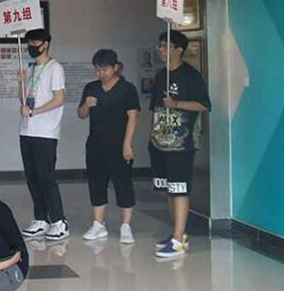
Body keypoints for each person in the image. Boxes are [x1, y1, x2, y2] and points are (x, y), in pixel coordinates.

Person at [150, 30, 211, 259]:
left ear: (179, 50)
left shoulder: (191, 76)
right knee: (168, 190)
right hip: (160, 143)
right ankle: (177, 234)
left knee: (179, 188)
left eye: (166, 46)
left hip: (181, 144)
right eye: (160, 46)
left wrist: (176, 104)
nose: (161, 50)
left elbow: (204, 105)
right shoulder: (160, 75)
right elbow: (155, 109)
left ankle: (178, 240)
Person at [77, 49, 140, 244]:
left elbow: (133, 117)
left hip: (119, 145)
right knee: (96, 183)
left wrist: (127, 144)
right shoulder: (91, 88)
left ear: (115, 68)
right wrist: (87, 105)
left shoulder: (127, 89)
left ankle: (126, 226)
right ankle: (98, 224)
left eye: (104, 69)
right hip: (95, 144)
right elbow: (81, 114)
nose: (100, 73)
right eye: (97, 70)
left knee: (123, 184)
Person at [17, 28, 69, 242]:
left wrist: (34, 112)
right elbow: (23, 100)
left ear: (45, 44)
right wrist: (20, 82)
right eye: (28, 43)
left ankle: (59, 221)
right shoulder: (31, 68)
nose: (30, 47)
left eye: (34, 43)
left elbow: (60, 98)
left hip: (45, 132)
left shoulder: (55, 68)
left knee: (46, 177)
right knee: (32, 176)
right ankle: (41, 219)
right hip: (26, 130)